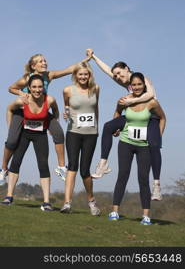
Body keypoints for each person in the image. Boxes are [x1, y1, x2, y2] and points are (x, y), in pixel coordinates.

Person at [0, 53, 91, 185]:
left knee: (59, 134)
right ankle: (3, 169)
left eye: (45, 61)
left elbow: (70, 69)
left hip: (41, 109)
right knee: (12, 141)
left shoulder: (49, 75)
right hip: (23, 111)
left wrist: (86, 60)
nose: (44, 63)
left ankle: (61, 167)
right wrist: (21, 93)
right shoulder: (26, 78)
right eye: (40, 61)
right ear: (33, 66)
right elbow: (11, 88)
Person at [86, 48, 163, 201]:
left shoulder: (140, 79)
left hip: (151, 118)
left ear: (127, 69)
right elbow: (108, 70)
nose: (118, 77)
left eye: (120, 73)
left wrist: (131, 100)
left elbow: (151, 94)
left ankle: (156, 185)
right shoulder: (124, 82)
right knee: (108, 126)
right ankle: (103, 164)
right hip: (134, 117)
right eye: (116, 76)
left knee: (154, 146)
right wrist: (94, 57)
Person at [108, 72, 166, 224]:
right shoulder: (125, 100)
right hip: (126, 142)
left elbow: (162, 118)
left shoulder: (152, 102)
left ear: (144, 85)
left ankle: (146, 215)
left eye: (139, 84)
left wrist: (157, 137)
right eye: (134, 85)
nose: (137, 87)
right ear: (130, 86)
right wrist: (116, 127)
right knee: (123, 176)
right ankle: (114, 212)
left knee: (143, 179)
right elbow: (117, 113)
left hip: (144, 145)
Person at [1, 75, 60, 211]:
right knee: (16, 162)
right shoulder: (22, 100)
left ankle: (46, 202)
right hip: (24, 134)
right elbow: (9, 109)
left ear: (43, 87)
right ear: (29, 88)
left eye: (40, 87)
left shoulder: (49, 100)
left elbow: (56, 110)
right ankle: (9, 197)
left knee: (43, 165)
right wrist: (11, 128)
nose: (37, 90)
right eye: (34, 87)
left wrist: (54, 124)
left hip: (41, 135)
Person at [60, 61, 100, 216]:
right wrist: (65, 114)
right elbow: (67, 108)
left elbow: (96, 108)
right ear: (75, 75)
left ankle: (91, 201)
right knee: (72, 166)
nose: (83, 76)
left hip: (91, 134)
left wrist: (97, 127)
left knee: (85, 170)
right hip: (73, 132)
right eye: (80, 74)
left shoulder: (95, 88)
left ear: (89, 75)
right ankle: (67, 203)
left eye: (86, 74)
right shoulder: (68, 90)